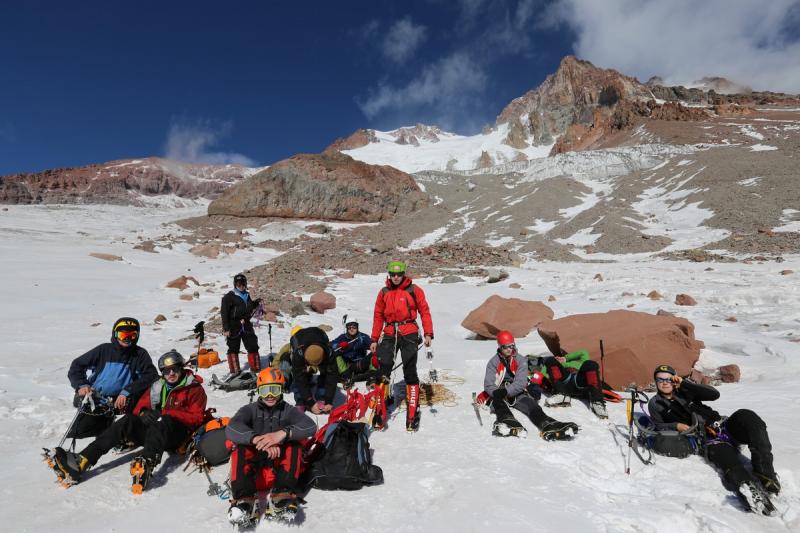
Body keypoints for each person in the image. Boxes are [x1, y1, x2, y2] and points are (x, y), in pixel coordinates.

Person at [52, 350, 207, 493]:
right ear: (162, 372)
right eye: (167, 370)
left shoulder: (194, 388)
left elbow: (197, 417)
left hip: (177, 436)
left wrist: (167, 413)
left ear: (181, 368)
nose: (171, 373)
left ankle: (146, 463)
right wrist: (144, 412)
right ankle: (83, 459)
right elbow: (139, 408)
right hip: (155, 434)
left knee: (163, 420)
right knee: (129, 420)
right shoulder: (157, 386)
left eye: (175, 369)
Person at [648, 364, 778, 515]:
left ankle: (766, 475)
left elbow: (714, 395)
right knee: (729, 461)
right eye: (660, 379)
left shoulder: (685, 390)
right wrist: (675, 425)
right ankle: (750, 491)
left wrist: (685, 384)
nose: (665, 382)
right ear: (656, 382)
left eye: (669, 379)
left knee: (748, 417)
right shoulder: (655, 404)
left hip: (724, 425)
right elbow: (658, 426)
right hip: (708, 439)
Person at [225, 368, 317, 525]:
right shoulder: (249, 410)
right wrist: (257, 440)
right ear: (259, 391)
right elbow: (232, 428)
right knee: (240, 448)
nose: (269, 395)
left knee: (294, 445)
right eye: (265, 390)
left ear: (281, 390)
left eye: (274, 389)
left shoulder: (288, 410)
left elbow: (309, 426)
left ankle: (281, 496)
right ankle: (244, 502)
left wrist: (281, 435)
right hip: (255, 473)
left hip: (279, 470)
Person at [66, 317, 158, 439]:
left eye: (132, 335)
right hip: (96, 399)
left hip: (123, 401)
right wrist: (82, 385)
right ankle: (103, 424)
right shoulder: (104, 350)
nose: (127, 338)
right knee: (78, 432)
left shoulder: (140, 354)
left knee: (124, 431)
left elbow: (151, 376)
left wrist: (127, 391)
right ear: (115, 334)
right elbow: (77, 366)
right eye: (123, 334)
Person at [369, 260, 433, 431]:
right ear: (389, 274)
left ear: (404, 273)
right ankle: (380, 408)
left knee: (409, 370)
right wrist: (374, 339)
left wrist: (428, 333)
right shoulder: (384, 292)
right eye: (393, 274)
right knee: (383, 369)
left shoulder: (414, 289)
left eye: (399, 274)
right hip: (389, 332)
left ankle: (413, 409)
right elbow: (378, 316)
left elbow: (424, 310)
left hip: (409, 331)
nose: (396, 277)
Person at [480, 331, 578, 440]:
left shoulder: (520, 360)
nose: (509, 349)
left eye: (512, 346)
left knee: (531, 405)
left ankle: (548, 423)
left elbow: (521, 383)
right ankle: (507, 420)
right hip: (499, 391)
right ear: (500, 347)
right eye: (505, 347)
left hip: (516, 391)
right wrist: (496, 392)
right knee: (497, 402)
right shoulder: (493, 362)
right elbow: (488, 384)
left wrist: (506, 391)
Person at [534, 348, 607, 419]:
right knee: (550, 360)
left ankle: (597, 402)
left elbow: (583, 352)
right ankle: (562, 395)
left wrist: (565, 358)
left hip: (579, 381)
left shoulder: (581, 362)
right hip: (564, 382)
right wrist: (555, 363)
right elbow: (543, 374)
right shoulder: (559, 366)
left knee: (591, 364)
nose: (557, 358)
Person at [290, 326, 338, 414]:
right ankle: (300, 400)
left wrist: (329, 400)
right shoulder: (298, 354)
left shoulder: (329, 353)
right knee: (300, 376)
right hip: (299, 337)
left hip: (319, 334)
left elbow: (332, 376)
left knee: (326, 372)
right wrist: (310, 402)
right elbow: (299, 377)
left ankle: (321, 395)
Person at [221, 273, 262, 375]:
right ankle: (235, 370)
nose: (241, 286)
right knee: (233, 347)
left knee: (252, 344)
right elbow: (224, 313)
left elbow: (249, 307)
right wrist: (226, 328)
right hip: (233, 325)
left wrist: (255, 303)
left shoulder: (246, 295)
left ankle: (256, 368)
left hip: (246, 323)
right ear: (235, 284)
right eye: (239, 284)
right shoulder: (228, 297)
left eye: (243, 283)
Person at [331, 319, 376, 385]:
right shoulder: (342, 337)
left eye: (354, 327)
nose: (351, 329)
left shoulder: (363, 337)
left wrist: (373, 344)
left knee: (375, 352)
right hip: (347, 366)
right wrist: (339, 345)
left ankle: (372, 375)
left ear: (357, 327)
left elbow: (371, 343)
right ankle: (346, 375)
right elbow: (332, 344)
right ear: (347, 328)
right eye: (349, 327)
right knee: (335, 354)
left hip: (361, 364)